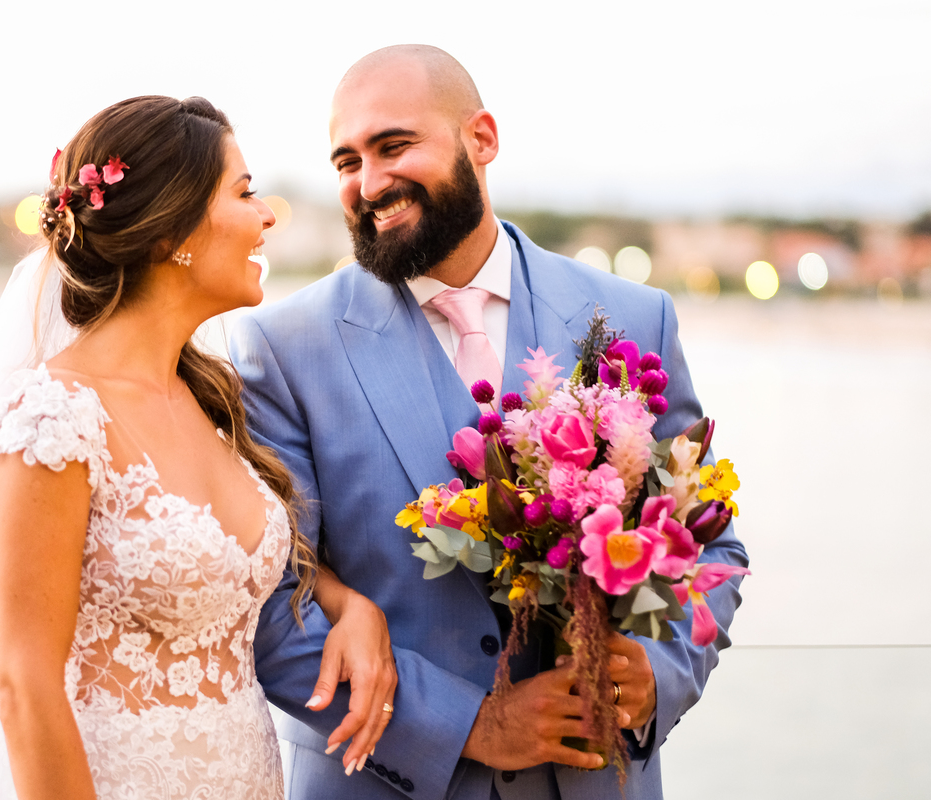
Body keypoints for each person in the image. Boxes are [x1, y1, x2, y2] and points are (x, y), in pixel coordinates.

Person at [0, 96, 396, 800]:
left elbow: (238, 569)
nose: (268, 215)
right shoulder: (54, 416)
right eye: (244, 193)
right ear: (170, 232)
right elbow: (23, 685)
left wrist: (348, 605)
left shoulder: (212, 402)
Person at [230, 46, 749, 800]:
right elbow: (272, 605)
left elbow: (710, 542)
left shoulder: (634, 316)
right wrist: (466, 724)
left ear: (482, 139)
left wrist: (655, 672)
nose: (370, 184)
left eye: (395, 145)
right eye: (347, 160)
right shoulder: (284, 349)